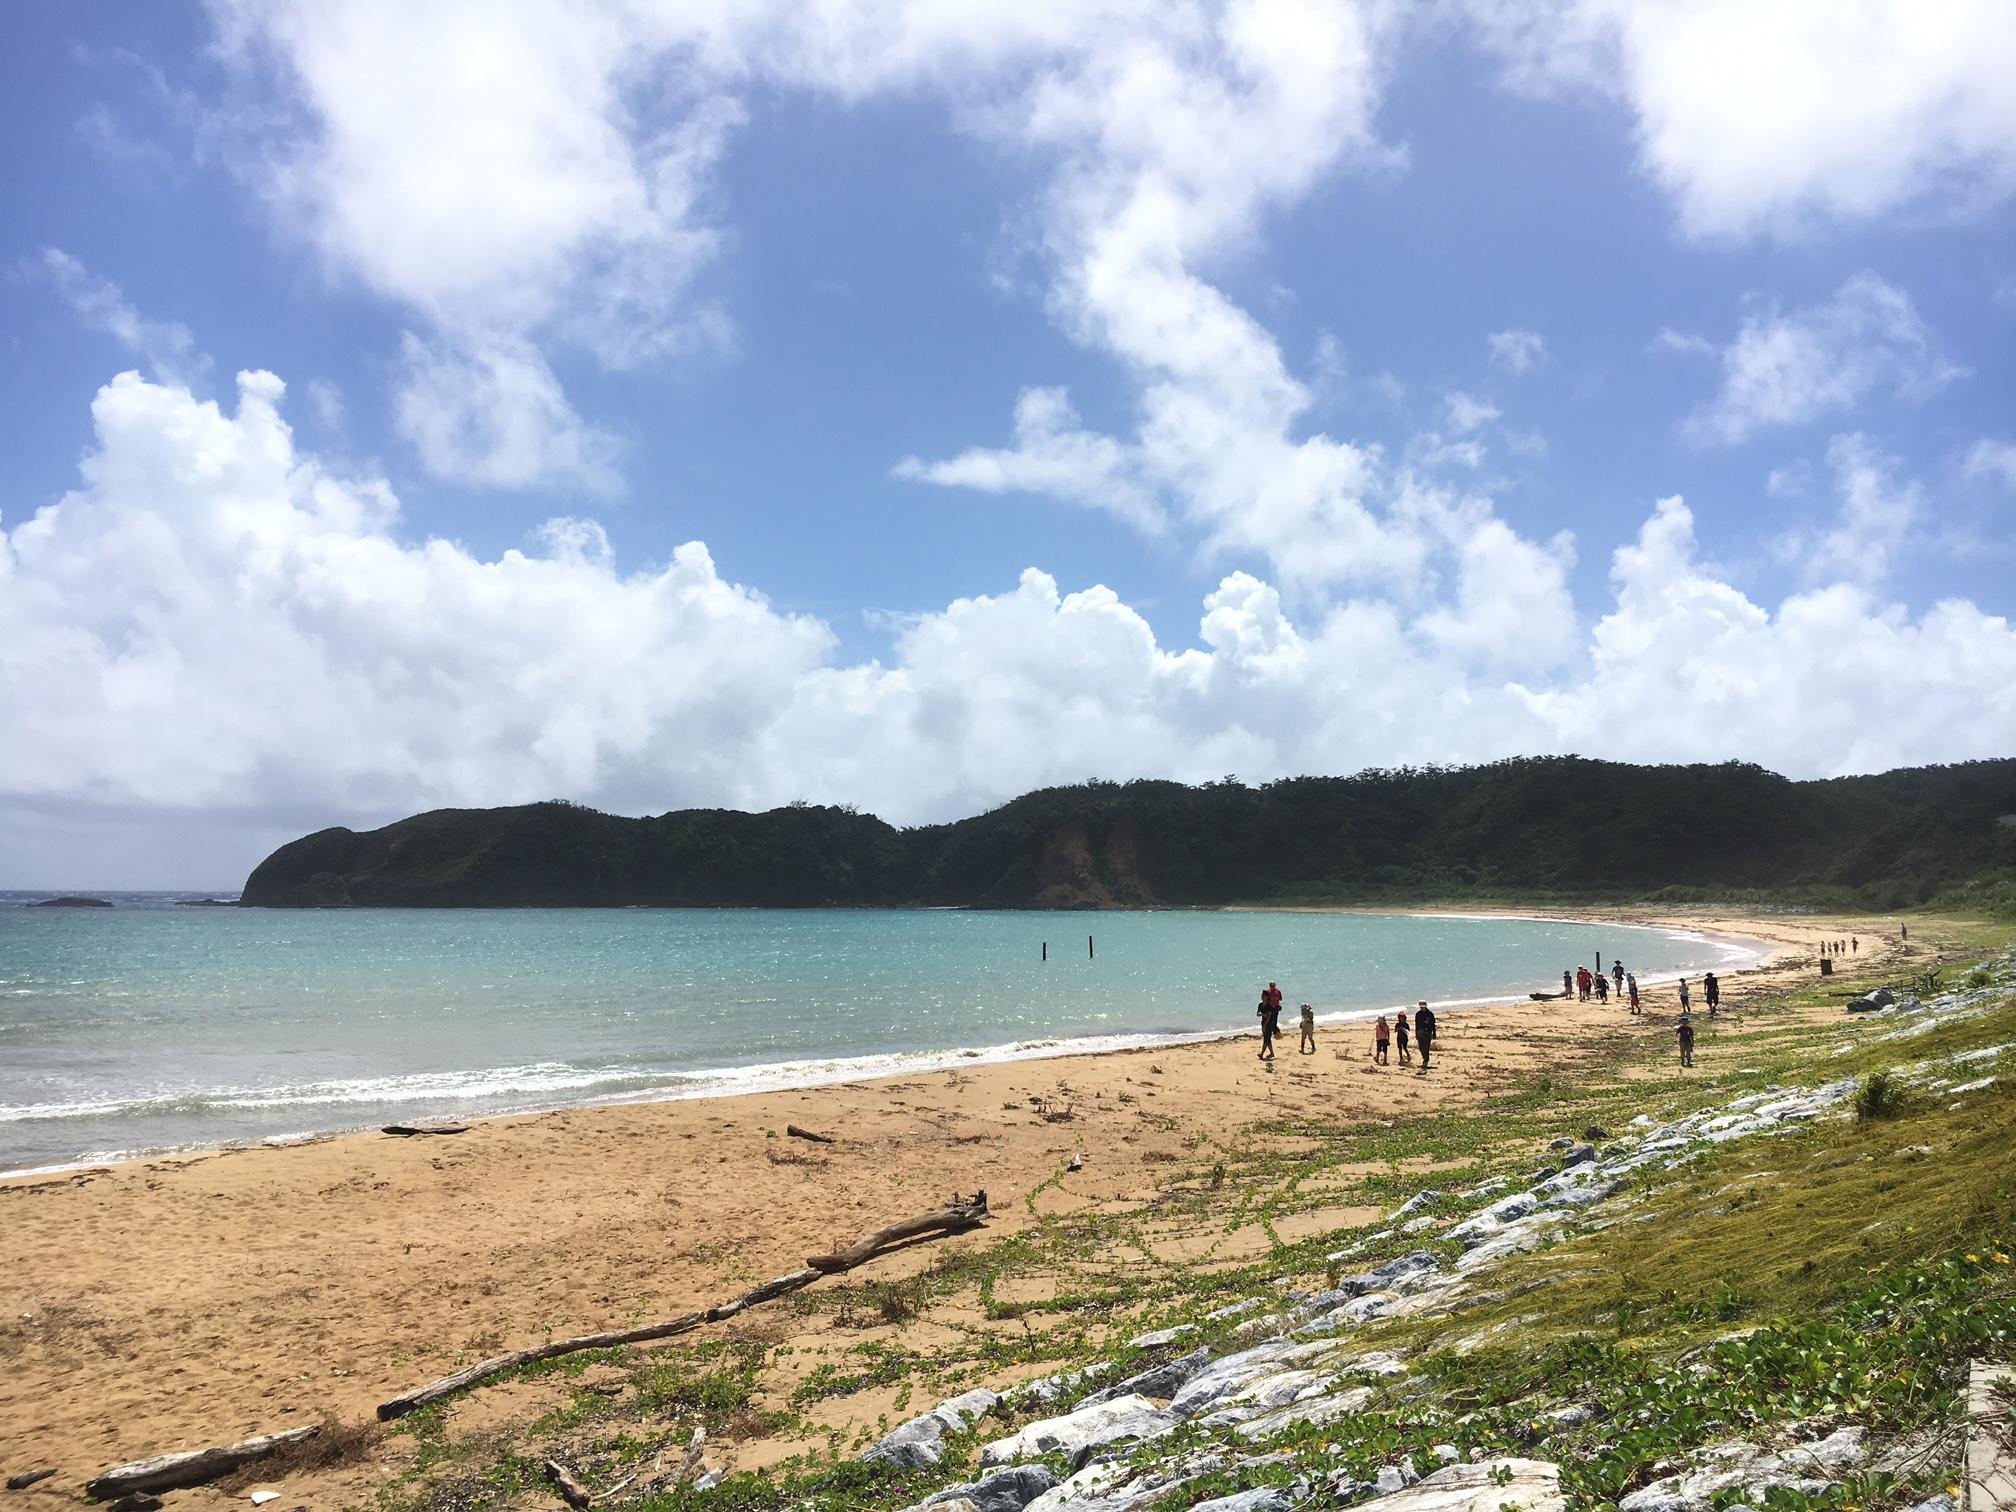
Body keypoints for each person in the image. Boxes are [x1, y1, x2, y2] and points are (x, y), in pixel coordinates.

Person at [1414, 1000, 1437, 1072]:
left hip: (1428, 1032)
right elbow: (1416, 1025)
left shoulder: (1430, 1014)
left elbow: (1433, 1024)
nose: (1422, 1008)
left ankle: (1426, 1059)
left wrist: (1434, 1033)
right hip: (1420, 1032)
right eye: (1421, 1007)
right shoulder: (1418, 1014)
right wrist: (1416, 1033)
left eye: (1423, 1007)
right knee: (1421, 1047)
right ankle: (1425, 1058)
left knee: (1426, 1046)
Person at [1256, 992, 1280, 1060]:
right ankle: (1272, 1053)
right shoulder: (1260, 1005)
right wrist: (1263, 1014)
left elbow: (1269, 1017)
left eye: (1263, 996)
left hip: (1269, 1023)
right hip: (1263, 1022)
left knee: (1266, 1039)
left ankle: (1262, 1054)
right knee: (1267, 1039)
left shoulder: (1269, 1006)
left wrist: (1265, 1026)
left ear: (1266, 997)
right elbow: (1257, 1014)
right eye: (1261, 996)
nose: (1262, 997)